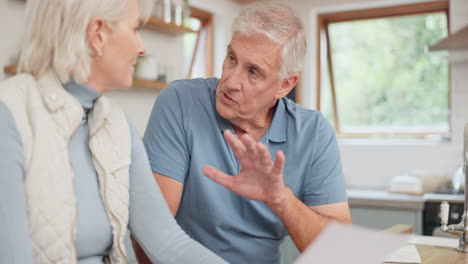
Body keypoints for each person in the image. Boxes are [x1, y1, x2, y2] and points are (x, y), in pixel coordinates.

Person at [0, 0, 227, 263]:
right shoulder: (10, 117)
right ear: (97, 34)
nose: (142, 48)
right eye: (134, 29)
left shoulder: (115, 124)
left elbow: (168, 243)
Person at [141, 2, 352, 264]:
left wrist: (281, 199)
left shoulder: (314, 132)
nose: (230, 82)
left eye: (253, 72)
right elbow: (149, 234)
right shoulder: (180, 102)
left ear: (284, 85)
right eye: (232, 59)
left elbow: (339, 252)